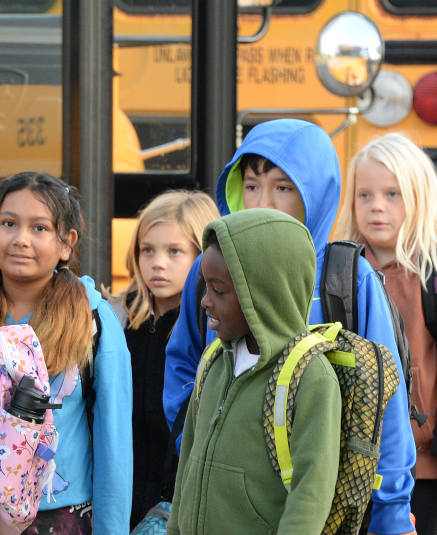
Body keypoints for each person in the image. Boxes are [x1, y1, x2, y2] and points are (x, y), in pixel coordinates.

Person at [161, 119, 417, 535]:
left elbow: (383, 401)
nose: (263, 201)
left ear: (315, 195)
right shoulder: (210, 266)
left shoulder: (348, 279)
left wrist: (392, 516)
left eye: (283, 187)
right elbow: (184, 368)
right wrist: (214, 458)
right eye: (251, 185)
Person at [334, 132, 437, 534]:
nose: (376, 207)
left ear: (420, 198)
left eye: (393, 194)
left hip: (418, 473)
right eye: (365, 195)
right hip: (340, 467)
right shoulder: (336, 274)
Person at [0, 172, 132, 535]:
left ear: (67, 244)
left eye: (40, 228)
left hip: (61, 517)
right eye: (9, 223)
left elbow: (115, 444)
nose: (21, 239)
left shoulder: (91, 319)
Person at [168, 208, 340, 535]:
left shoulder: (311, 377)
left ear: (263, 296)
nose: (205, 301)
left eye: (219, 291)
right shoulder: (213, 362)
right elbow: (186, 468)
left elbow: (311, 495)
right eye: (206, 288)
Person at [107, 190, 218, 528]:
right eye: (147, 250)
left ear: (204, 258)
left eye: (175, 252)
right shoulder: (117, 319)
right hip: (117, 504)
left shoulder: (211, 327)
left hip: (179, 508)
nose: (157, 262)